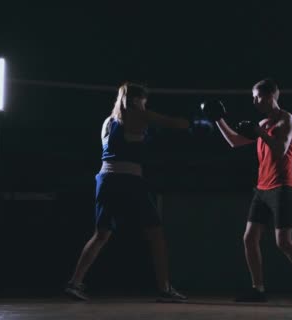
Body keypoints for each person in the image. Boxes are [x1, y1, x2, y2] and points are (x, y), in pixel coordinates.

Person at [65, 82, 210, 302]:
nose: (145, 104)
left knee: (101, 234)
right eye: (144, 100)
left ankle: (74, 283)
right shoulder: (139, 115)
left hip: (105, 179)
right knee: (156, 234)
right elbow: (176, 124)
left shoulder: (108, 121)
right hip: (129, 180)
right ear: (135, 100)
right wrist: (199, 119)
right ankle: (164, 289)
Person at [209, 78, 292, 303]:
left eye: (257, 97)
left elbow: (280, 150)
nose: (254, 101)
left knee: (283, 242)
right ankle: (258, 289)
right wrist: (218, 119)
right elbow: (234, 142)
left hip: (282, 186)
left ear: (270, 97)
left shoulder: (288, 120)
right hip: (262, 188)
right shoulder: (263, 122)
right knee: (249, 238)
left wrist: (259, 132)